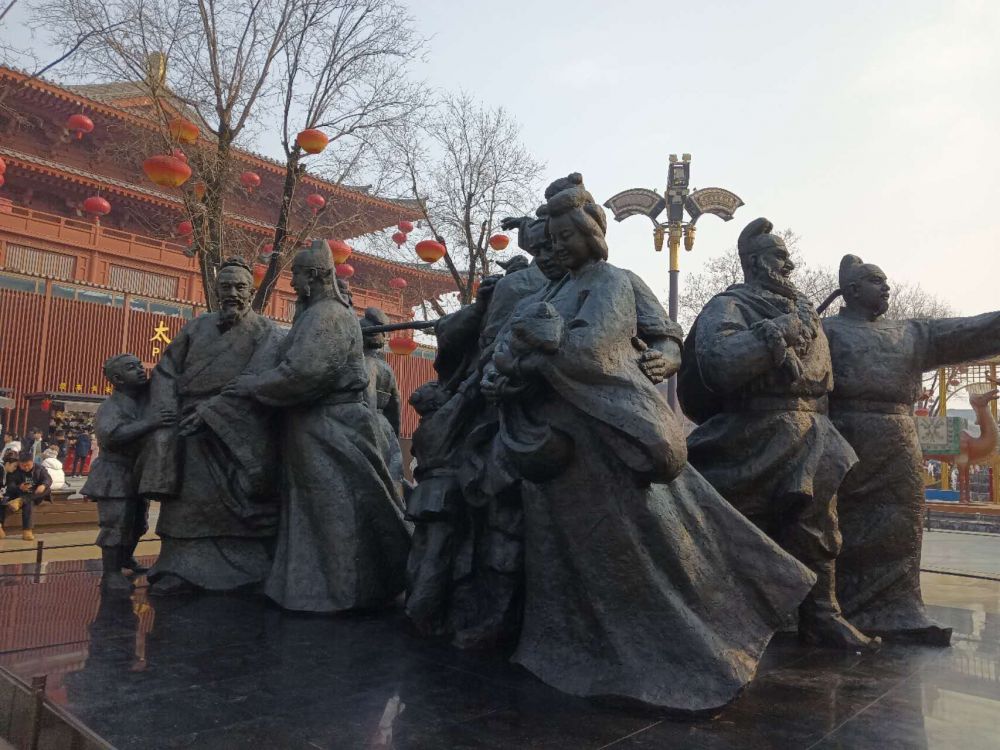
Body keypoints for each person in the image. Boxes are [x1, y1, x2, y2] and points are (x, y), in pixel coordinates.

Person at [479, 176, 814, 712]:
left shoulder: (617, 281)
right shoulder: (546, 294)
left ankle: (674, 659)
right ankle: (570, 652)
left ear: (592, 235)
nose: (558, 246)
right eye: (553, 238)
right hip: (555, 447)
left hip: (608, 434)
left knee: (635, 551)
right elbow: (507, 352)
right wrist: (506, 374)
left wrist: (668, 356)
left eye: (567, 236)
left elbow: (656, 335)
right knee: (565, 558)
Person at [678, 218, 875, 650]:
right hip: (753, 432)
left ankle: (821, 615)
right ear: (754, 262)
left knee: (818, 529)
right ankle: (722, 623)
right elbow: (719, 364)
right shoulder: (729, 305)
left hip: (814, 431)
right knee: (736, 527)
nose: (789, 265)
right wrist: (776, 334)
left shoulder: (805, 310)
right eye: (779, 256)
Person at [822, 254, 1000, 645]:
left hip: (898, 440)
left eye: (886, 281)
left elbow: (971, 330)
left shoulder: (911, 332)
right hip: (842, 435)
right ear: (851, 290)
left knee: (903, 523)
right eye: (876, 280)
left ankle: (899, 610)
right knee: (835, 525)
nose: (886, 287)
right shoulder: (825, 331)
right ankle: (826, 610)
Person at [224, 241, 410, 613]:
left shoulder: (328, 315)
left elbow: (305, 373)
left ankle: (342, 592)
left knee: (333, 511)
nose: (292, 282)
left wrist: (255, 385)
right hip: (314, 427)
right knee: (314, 510)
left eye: (296, 274)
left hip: (330, 426)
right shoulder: (314, 314)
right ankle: (311, 589)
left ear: (315, 275)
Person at [140, 257, 284, 595]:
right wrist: (167, 412)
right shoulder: (196, 327)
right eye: (226, 287)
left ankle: (249, 569)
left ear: (251, 292)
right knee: (188, 497)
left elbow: (258, 379)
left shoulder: (266, 333)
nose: (232, 293)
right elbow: (166, 371)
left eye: (239, 287)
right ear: (217, 291)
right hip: (188, 423)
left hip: (237, 424)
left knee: (240, 497)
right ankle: (178, 567)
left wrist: (215, 411)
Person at [84, 353, 175, 590]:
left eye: (139, 366)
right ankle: (111, 573)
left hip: (136, 471)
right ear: (117, 379)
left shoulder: (143, 400)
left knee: (137, 523)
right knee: (116, 523)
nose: (140, 370)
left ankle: (126, 558)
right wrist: (150, 423)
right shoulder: (110, 406)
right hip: (114, 473)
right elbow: (111, 436)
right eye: (132, 368)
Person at [359, 307, 404, 489]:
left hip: (369, 423)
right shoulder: (387, 368)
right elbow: (396, 405)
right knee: (392, 473)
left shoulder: (365, 364)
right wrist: (394, 433)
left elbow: (368, 399)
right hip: (385, 425)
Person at [1, 449, 52, 541]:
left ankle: (21, 501)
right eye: (23, 466)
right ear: (19, 463)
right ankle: (27, 530)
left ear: (32, 462)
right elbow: (10, 485)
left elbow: (48, 479)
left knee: (47, 489)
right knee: (28, 503)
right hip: (20, 494)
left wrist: (43, 485)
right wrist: (19, 487)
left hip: (35, 494)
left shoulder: (40, 468)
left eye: (28, 465)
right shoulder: (15, 470)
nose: (26, 467)